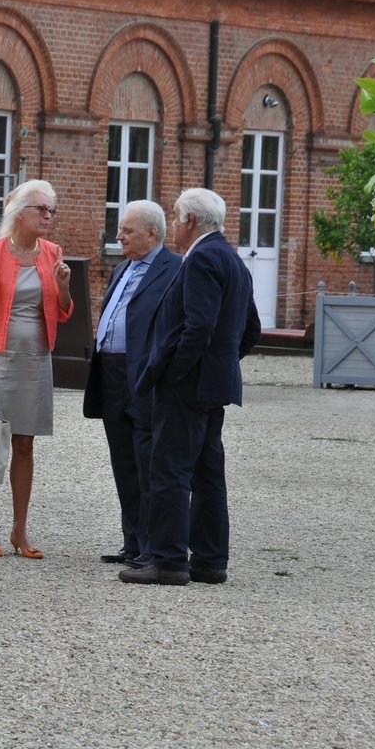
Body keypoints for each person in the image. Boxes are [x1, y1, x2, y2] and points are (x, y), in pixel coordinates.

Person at [124, 188, 261, 587]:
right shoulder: (232, 258)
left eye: (176, 216)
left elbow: (197, 325)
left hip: (187, 386)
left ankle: (168, 561)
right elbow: (249, 329)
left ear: (189, 221)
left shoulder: (201, 257)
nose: (174, 223)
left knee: (170, 471)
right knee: (207, 474)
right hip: (213, 384)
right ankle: (209, 560)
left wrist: (177, 371)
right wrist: (222, 364)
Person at [0, 179, 73, 560]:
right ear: (18, 213)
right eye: (40, 209)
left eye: (50, 210)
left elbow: (63, 311)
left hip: (36, 358)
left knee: (26, 442)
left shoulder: (52, 252)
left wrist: (64, 286)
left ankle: (20, 527)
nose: (47, 216)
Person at [81, 200, 179, 569]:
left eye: (127, 230)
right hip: (110, 373)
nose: (118, 236)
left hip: (143, 375)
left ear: (152, 234)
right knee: (123, 461)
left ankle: (154, 546)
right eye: (120, 229)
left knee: (148, 461)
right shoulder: (121, 268)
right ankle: (132, 541)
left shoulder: (174, 269)